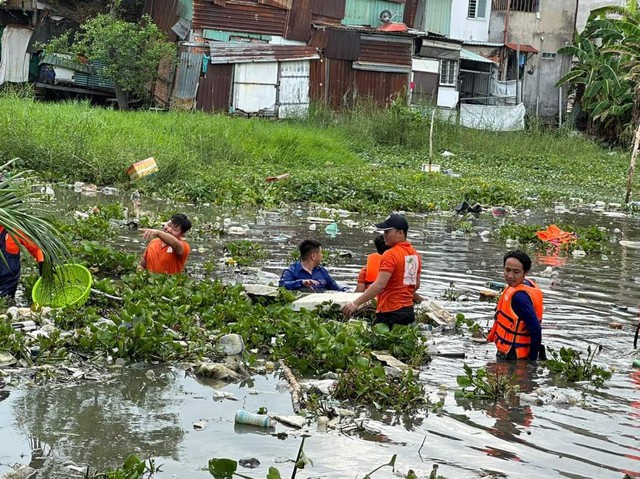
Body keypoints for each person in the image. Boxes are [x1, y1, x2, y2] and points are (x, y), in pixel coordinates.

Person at [342, 214, 422, 328]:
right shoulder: (415, 255)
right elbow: (416, 285)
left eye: (387, 232)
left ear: (400, 233)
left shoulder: (390, 254)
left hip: (390, 313)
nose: (384, 235)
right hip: (408, 312)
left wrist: (355, 304)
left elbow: (379, 285)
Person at [487, 250, 543, 360]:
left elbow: (536, 329)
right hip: (513, 349)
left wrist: (531, 361)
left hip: (514, 354)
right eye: (507, 270)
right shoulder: (522, 285)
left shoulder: (520, 298)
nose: (510, 276)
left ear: (525, 272)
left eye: (516, 272)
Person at [279, 239, 346, 292]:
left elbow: (335, 287)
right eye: (321, 253)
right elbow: (282, 286)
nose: (322, 256)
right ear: (313, 256)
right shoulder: (292, 271)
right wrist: (302, 283)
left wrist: (348, 290)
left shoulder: (322, 271)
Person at [0, 226, 44, 298]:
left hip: (8, 282)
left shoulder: (15, 229)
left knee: (6, 303)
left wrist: (42, 263)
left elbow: (36, 248)